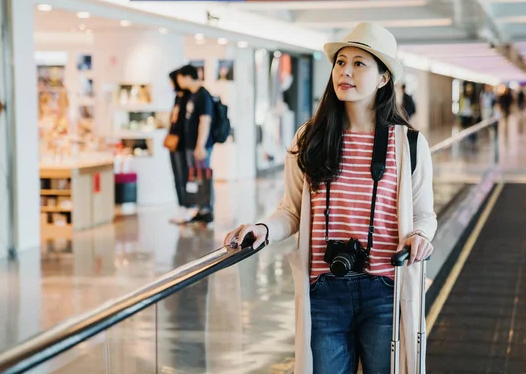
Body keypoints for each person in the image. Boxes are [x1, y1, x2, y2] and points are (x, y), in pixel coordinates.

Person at [223, 22, 437, 373]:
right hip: (323, 290)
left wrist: (420, 236)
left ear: (384, 78)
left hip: (384, 290)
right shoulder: (310, 138)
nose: (346, 71)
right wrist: (263, 228)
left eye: (359, 64)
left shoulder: (408, 144)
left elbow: (423, 214)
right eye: (341, 62)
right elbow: (290, 211)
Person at [176, 64, 215, 224]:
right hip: (191, 145)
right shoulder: (191, 95)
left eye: (180, 78)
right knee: (196, 178)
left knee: (203, 176)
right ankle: (200, 208)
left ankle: (206, 209)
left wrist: (200, 145)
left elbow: (205, 121)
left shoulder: (203, 95)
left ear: (186, 77)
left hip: (199, 145)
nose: (179, 82)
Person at [168, 69, 197, 224]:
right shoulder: (177, 98)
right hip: (174, 143)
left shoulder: (188, 97)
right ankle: (181, 207)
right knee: (177, 176)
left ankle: (188, 206)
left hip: (184, 144)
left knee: (185, 176)